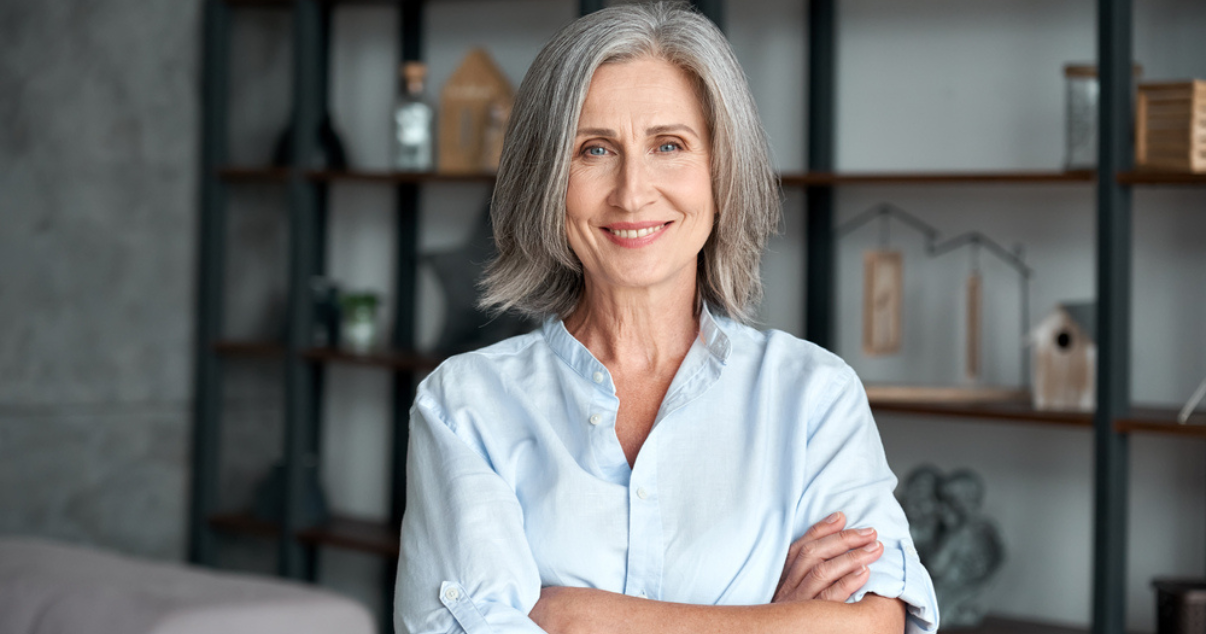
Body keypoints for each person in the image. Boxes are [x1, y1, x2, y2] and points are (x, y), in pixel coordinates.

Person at [395, 3, 939, 633]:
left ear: (720, 171)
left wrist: (572, 616)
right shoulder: (463, 407)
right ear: (546, 179)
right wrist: (776, 621)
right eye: (594, 149)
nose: (632, 191)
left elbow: (876, 624)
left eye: (669, 145)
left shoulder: (814, 395)